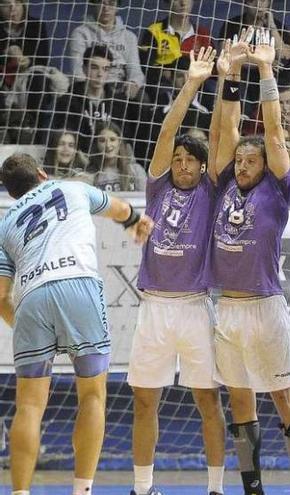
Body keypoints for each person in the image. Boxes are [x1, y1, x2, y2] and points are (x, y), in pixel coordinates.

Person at [0, 152, 153, 495]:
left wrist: (25, 324)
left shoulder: (6, 223)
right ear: (42, 174)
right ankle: (81, 490)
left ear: (11, 193)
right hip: (78, 283)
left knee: (28, 406)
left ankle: (20, 492)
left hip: (31, 300)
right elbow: (118, 209)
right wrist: (135, 221)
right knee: (92, 395)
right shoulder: (72, 188)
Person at [209, 27, 290, 495]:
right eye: (242, 162)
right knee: (239, 399)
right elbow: (225, 131)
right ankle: (251, 485)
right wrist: (228, 76)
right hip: (227, 308)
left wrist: (266, 69)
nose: (245, 165)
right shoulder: (223, 187)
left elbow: (274, 132)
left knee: (282, 395)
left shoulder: (277, 189)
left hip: (266, 307)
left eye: (252, 161)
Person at [126, 47, 225, 495]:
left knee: (208, 400)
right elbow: (167, 132)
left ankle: (216, 488)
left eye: (191, 160)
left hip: (195, 307)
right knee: (145, 399)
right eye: (179, 159)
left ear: (203, 167)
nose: (182, 165)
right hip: (154, 308)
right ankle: (143, 488)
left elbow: (223, 135)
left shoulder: (211, 189)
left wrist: (225, 80)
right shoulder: (158, 185)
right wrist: (192, 82)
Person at [67, 0, 145, 101]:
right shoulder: (80, 33)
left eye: (111, 3)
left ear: (117, 6)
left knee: (143, 98)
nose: (106, 8)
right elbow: (77, 71)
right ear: (94, 4)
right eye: (102, 3)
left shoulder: (129, 37)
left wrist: (134, 83)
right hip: (91, 84)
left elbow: (135, 70)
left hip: (120, 87)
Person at [139, 0, 214, 103]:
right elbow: (145, 68)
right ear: (168, 3)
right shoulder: (154, 31)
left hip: (197, 86)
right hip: (164, 87)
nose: (183, 3)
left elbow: (212, 70)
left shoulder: (203, 34)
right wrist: (165, 73)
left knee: (211, 97)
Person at [85, 121, 146, 192]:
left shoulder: (135, 170)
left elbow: (146, 199)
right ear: (97, 144)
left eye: (112, 140)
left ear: (119, 142)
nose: (108, 145)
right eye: (102, 141)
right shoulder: (90, 175)